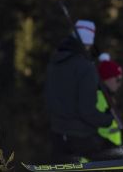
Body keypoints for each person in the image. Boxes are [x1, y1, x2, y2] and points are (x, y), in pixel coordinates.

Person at [45, 20, 114, 162]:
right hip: (81, 136)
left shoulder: (54, 63)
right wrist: (107, 119)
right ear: (88, 42)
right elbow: (87, 110)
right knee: (113, 157)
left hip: (57, 134)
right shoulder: (85, 67)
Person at [96, 54, 123, 147]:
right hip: (100, 158)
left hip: (111, 155)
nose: (119, 84)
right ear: (107, 79)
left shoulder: (108, 98)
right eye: (118, 79)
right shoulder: (99, 99)